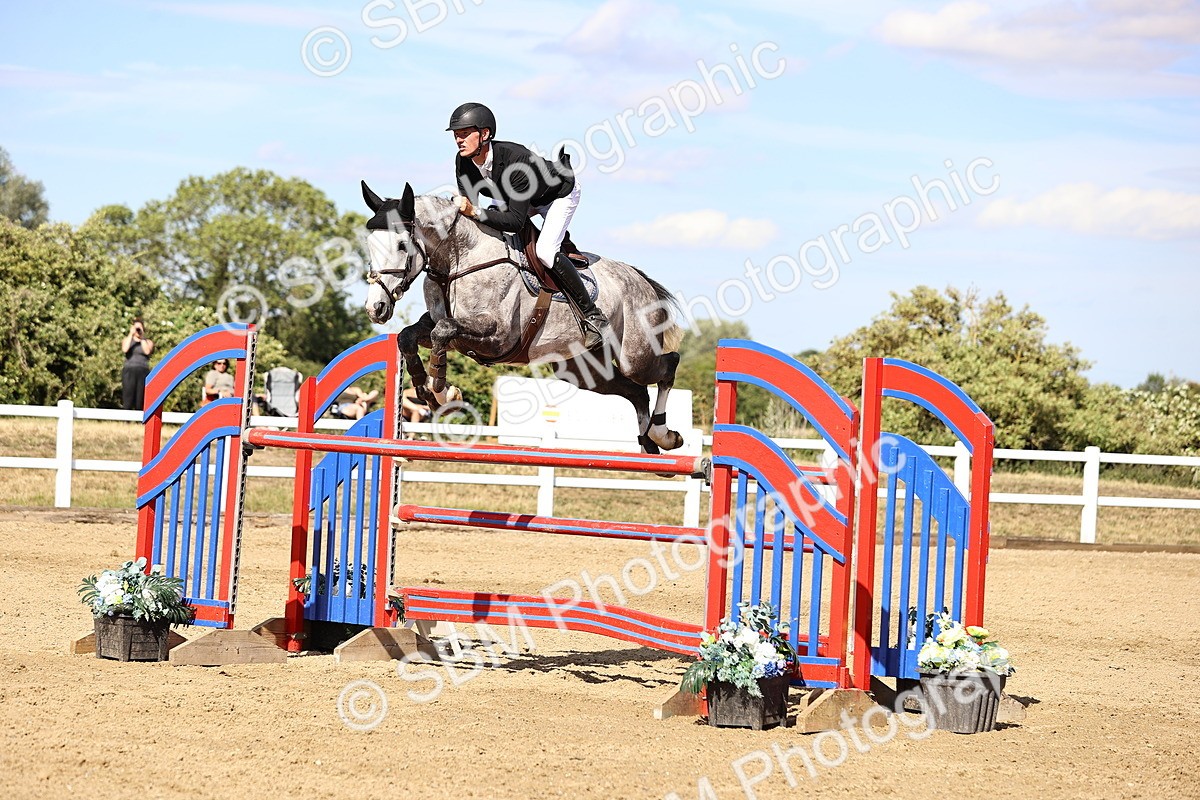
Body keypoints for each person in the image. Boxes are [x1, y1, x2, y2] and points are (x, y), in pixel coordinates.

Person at [447, 102, 610, 350]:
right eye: (456, 134)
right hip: (517, 198)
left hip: (556, 195)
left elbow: (514, 222)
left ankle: (593, 316)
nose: (459, 139)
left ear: (485, 134)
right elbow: (470, 209)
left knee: (545, 251)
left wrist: (477, 211)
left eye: (465, 133)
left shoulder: (516, 161)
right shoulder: (464, 161)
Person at [120, 318, 154, 411]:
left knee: (141, 397)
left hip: (143, 370)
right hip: (129, 370)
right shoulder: (127, 340)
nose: (137, 330)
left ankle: (139, 420)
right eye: (136, 328)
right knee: (128, 395)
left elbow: (147, 351)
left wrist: (142, 337)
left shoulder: (148, 342)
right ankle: (126, 420)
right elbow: (124, 349)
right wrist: (131, 334)